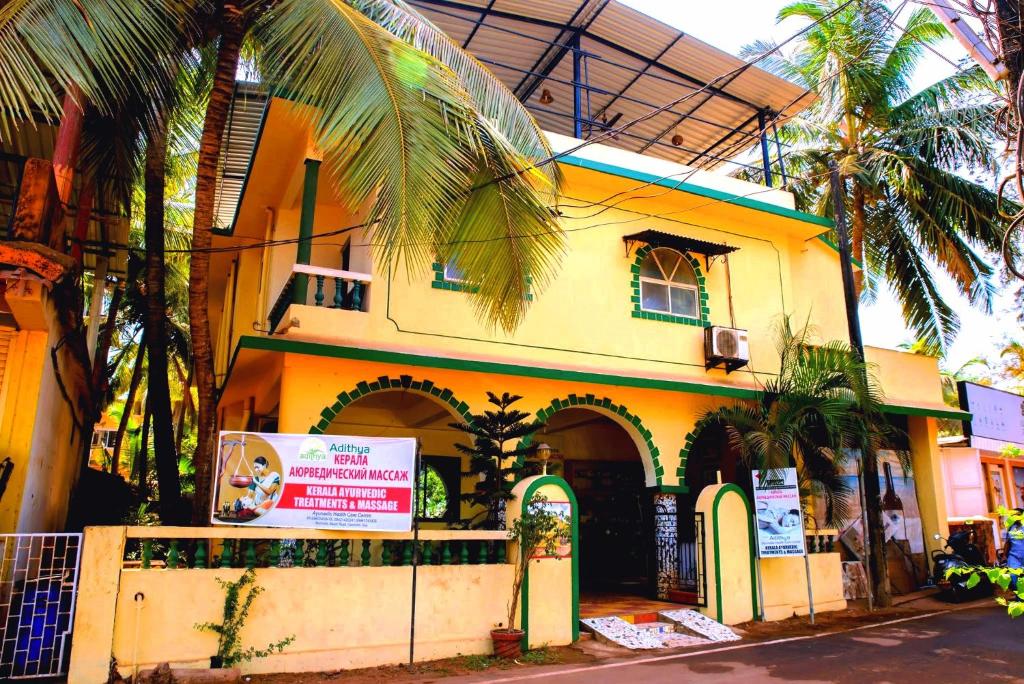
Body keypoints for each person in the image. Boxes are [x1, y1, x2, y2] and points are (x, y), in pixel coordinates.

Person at [1003, 508, 1024, 590]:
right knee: (1013, 577)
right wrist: (1004, 555)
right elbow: (1008, 542)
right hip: (1014, 557)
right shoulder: (1011, 528)